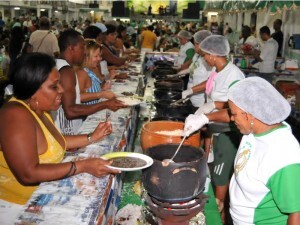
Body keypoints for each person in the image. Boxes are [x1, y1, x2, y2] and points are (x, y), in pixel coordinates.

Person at [0, 53, 120, 225]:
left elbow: (53, 142)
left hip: (41, 196)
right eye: (54, 86)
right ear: (33, 90)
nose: (62, 91)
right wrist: (83, 166)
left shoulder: (39, 109)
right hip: (18, 209)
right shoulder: (15, 114)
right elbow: (28, 173)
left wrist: (91, 137)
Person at [183, 35, 245, 223]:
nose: (203, 58)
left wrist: (209, 111)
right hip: (216, 129)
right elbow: (209, 85)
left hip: (228, 133)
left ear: (212, 55)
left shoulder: (234, 75)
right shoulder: (218, 70)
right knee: (214, 174)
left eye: (204, 55)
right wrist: (191, 90)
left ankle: (220, 215)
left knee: (220, 181)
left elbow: (236, 107)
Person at [227, 77, 300, 225]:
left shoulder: (282, 155)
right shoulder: (254, 130)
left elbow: (296, 214)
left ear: (250, 114)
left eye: (233, 114)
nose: (231, 118)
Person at [53, 29, 126, 136]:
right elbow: (70, 111)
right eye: (82, 47)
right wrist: (105, 104)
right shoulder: (66, 71)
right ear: (71, 48)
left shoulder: (57, 64)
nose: (84, 52)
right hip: (69, 131)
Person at [76, 39, 116, 105]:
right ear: (86, 56)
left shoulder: (90, 70)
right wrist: (101, 94)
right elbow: (78, 97)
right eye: (96, 56)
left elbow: (91, 92)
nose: (100, 59)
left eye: (100, 56)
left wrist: (102, 89)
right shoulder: (81, 73)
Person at [181, 30, 212, 107]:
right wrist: (179, 73)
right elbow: (192, 68)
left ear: (203, 44)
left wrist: (190, 91)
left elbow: (210, 82)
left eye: (195, 44)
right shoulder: (198, 56)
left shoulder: (209, 61)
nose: (194, 46)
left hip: (201, 103)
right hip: (192, 98)